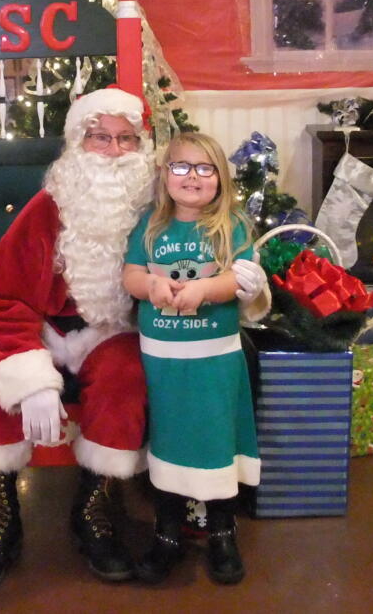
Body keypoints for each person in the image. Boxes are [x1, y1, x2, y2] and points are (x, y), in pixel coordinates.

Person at [0, 87, 156, 592]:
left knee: (126, 377)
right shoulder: (47, 208)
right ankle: (2, 519)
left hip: (112, 330)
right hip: (42, 326)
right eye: (100, 138)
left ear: (141, 146)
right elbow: (4, 299)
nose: (113, 151)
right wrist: (30, 376)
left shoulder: (154, 207)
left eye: (126, 139)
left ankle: (92, 508)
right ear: (77, 143)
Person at [122, 131, 270, 585]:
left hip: (214, 361)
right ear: (165, 175)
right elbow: (131, 273)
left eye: (205, 168)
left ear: (220, 178)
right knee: (168, 442)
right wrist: (151, 285)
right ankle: (167, 533)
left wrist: (206, 289)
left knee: (216, 441)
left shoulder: (232, 224)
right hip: (162, 361)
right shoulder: (150, 225)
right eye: (181, 166)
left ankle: (222, 531)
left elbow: (240, 279)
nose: (192, 177)